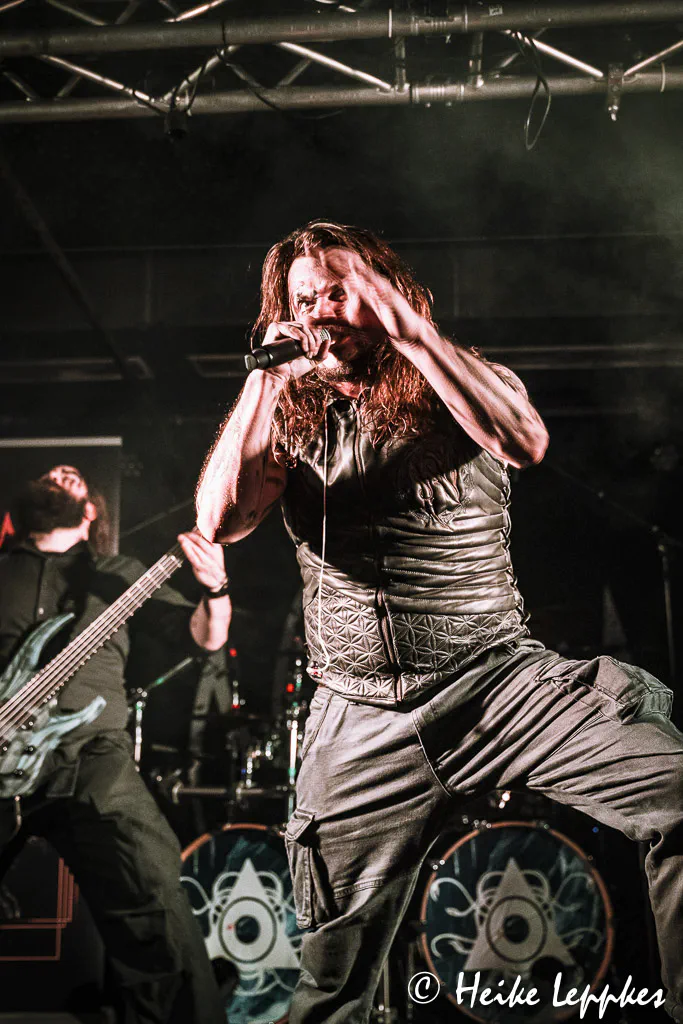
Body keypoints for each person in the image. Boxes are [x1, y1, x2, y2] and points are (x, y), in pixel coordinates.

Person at [195, 221, 683, 1024]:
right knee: (330, 984)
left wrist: (407, 330)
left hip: (498, 682)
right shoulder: (287, 414)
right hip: (359, 715)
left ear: (384, 290)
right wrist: (264, 379)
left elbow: (523, 441)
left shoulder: (453, 378)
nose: (319, 312)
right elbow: (219, 521)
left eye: (337, 291)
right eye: (303, 299)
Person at [0, 464, 230, 1024]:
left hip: (91, 756)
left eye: (74, 477)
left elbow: (205, 637)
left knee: (152, 891)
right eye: (52, 474)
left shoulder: (120, 575)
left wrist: (216, 589)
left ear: (91, 513)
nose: (60, 473)